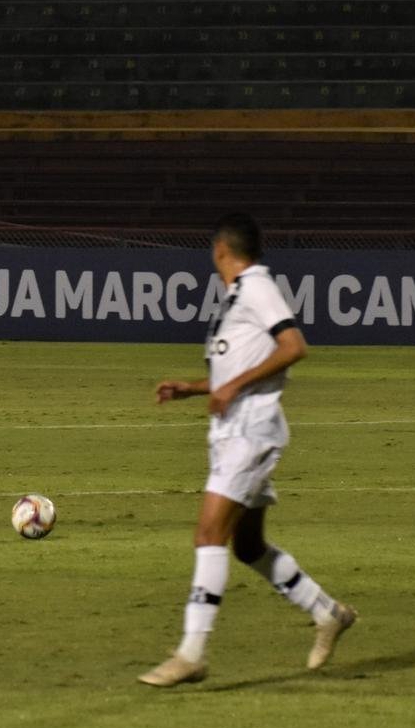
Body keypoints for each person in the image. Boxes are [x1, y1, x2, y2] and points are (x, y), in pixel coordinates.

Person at [138, 212, 356, 687]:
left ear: (221, 250)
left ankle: (192, 651)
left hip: (250, 434)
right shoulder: (241, 295)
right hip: (236, 431)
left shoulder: (256, 287)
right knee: (249, 545)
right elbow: (241, 363)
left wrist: (232, 386)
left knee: (208, 533)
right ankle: (328, 612)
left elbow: (294, 346)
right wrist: (194, 389)